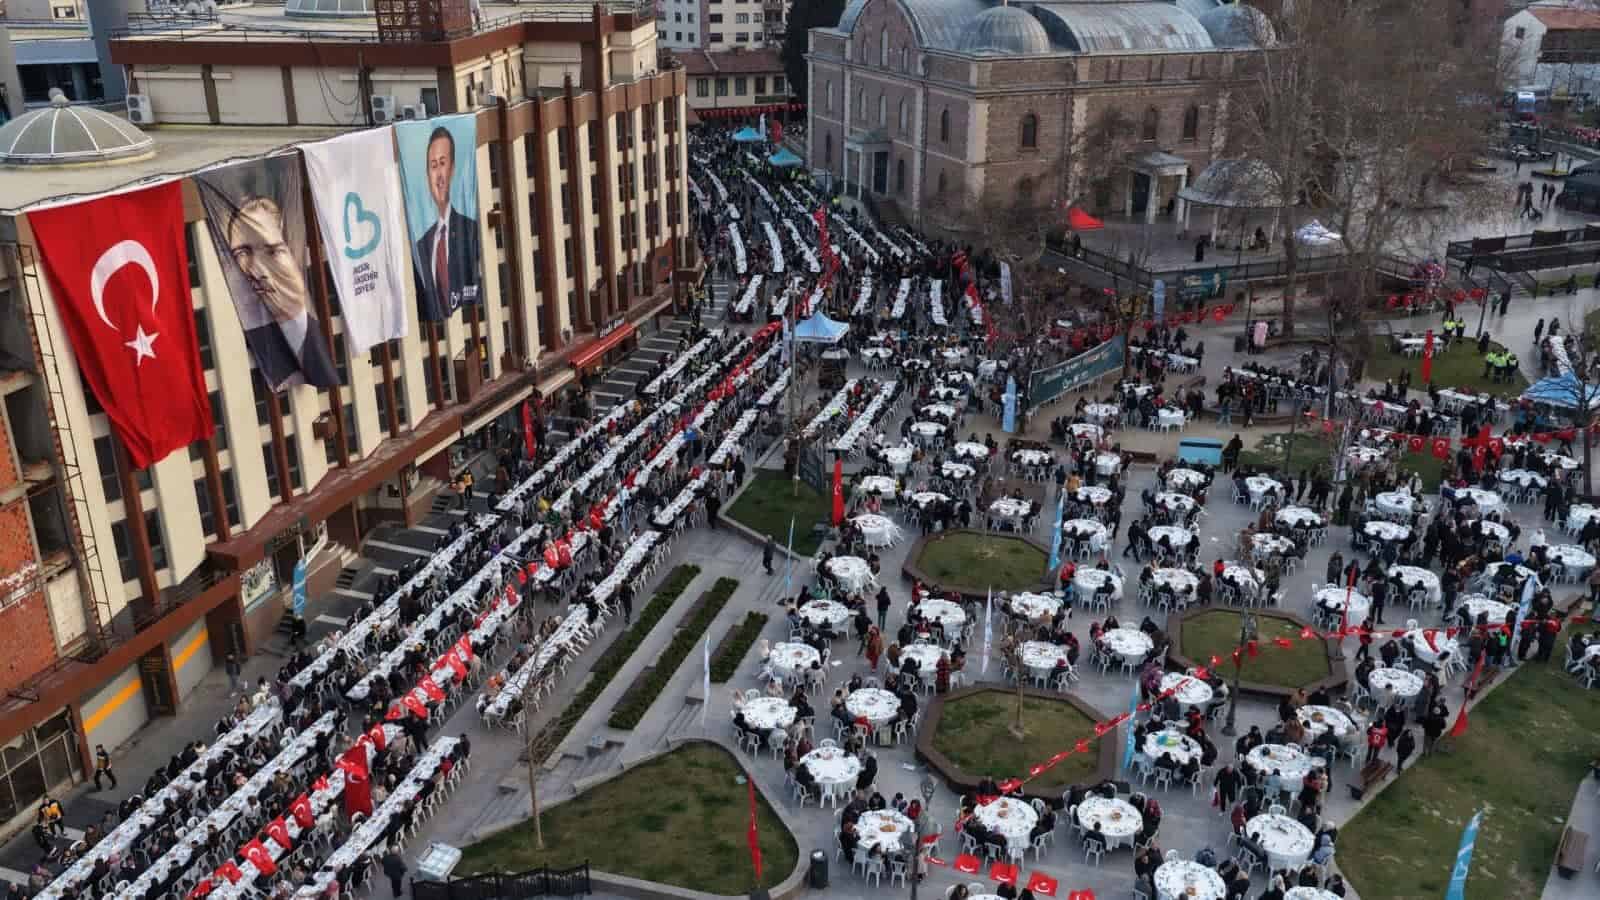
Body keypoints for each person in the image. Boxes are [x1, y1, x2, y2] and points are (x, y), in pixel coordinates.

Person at [215, 191, 337, 387]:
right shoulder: (248, 343)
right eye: (243, 253)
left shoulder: (324, 326)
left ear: (292, 251)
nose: (257, 269)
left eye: (272, 251)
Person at [413, 126, 482, 318]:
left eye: (442, 164)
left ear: (452, 169)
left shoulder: (470, 228)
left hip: (470, 319)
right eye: (433, 166)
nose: (439, 176)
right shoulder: (421, 245)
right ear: (427, 175)